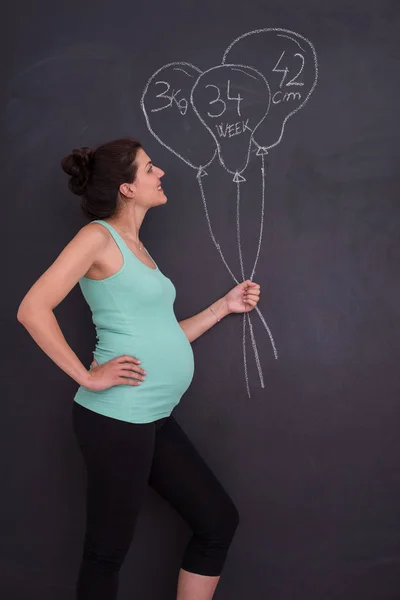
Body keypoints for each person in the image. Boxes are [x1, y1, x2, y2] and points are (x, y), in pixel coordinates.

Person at [16, 138, 261, 600]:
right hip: (115, 418)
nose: (160, 172)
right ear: (127, 188)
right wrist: (88, 376)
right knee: (106, 555)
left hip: (151, 415)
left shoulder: (138, 247)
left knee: (216, 520)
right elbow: (32, 309)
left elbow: (161, 334)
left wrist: (222, 308)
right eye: (150, 168)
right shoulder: (97, 238)